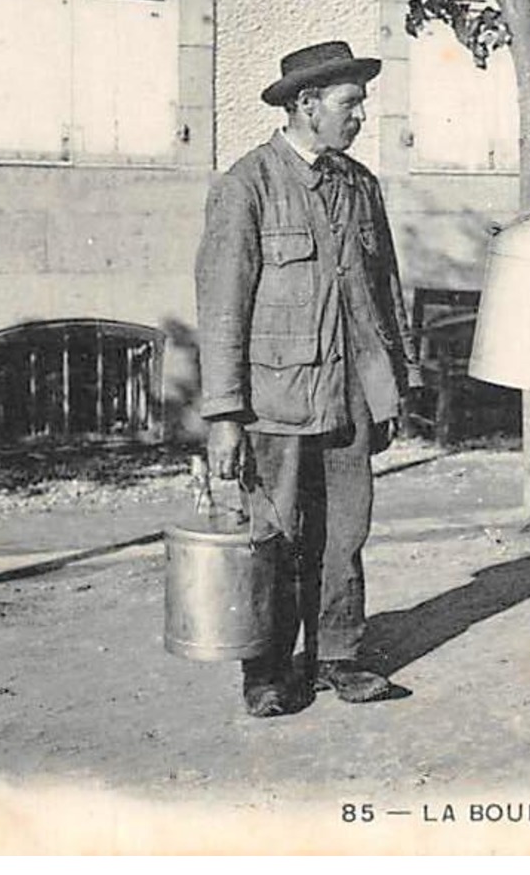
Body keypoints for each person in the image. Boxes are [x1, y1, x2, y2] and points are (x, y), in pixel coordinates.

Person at [195, 41, 418, 717]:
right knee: (277, 535)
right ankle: (263, 671)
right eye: (350, 104)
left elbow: (387, 292)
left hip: (351, 392)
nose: (360, 116)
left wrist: (395, 382)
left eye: (360, 102)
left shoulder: (360, 186)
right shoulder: (247, 185)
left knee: (345, 531)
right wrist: (223, 413)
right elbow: (222, 304)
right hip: (276, 400)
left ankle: (339, 656)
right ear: (306, 105)